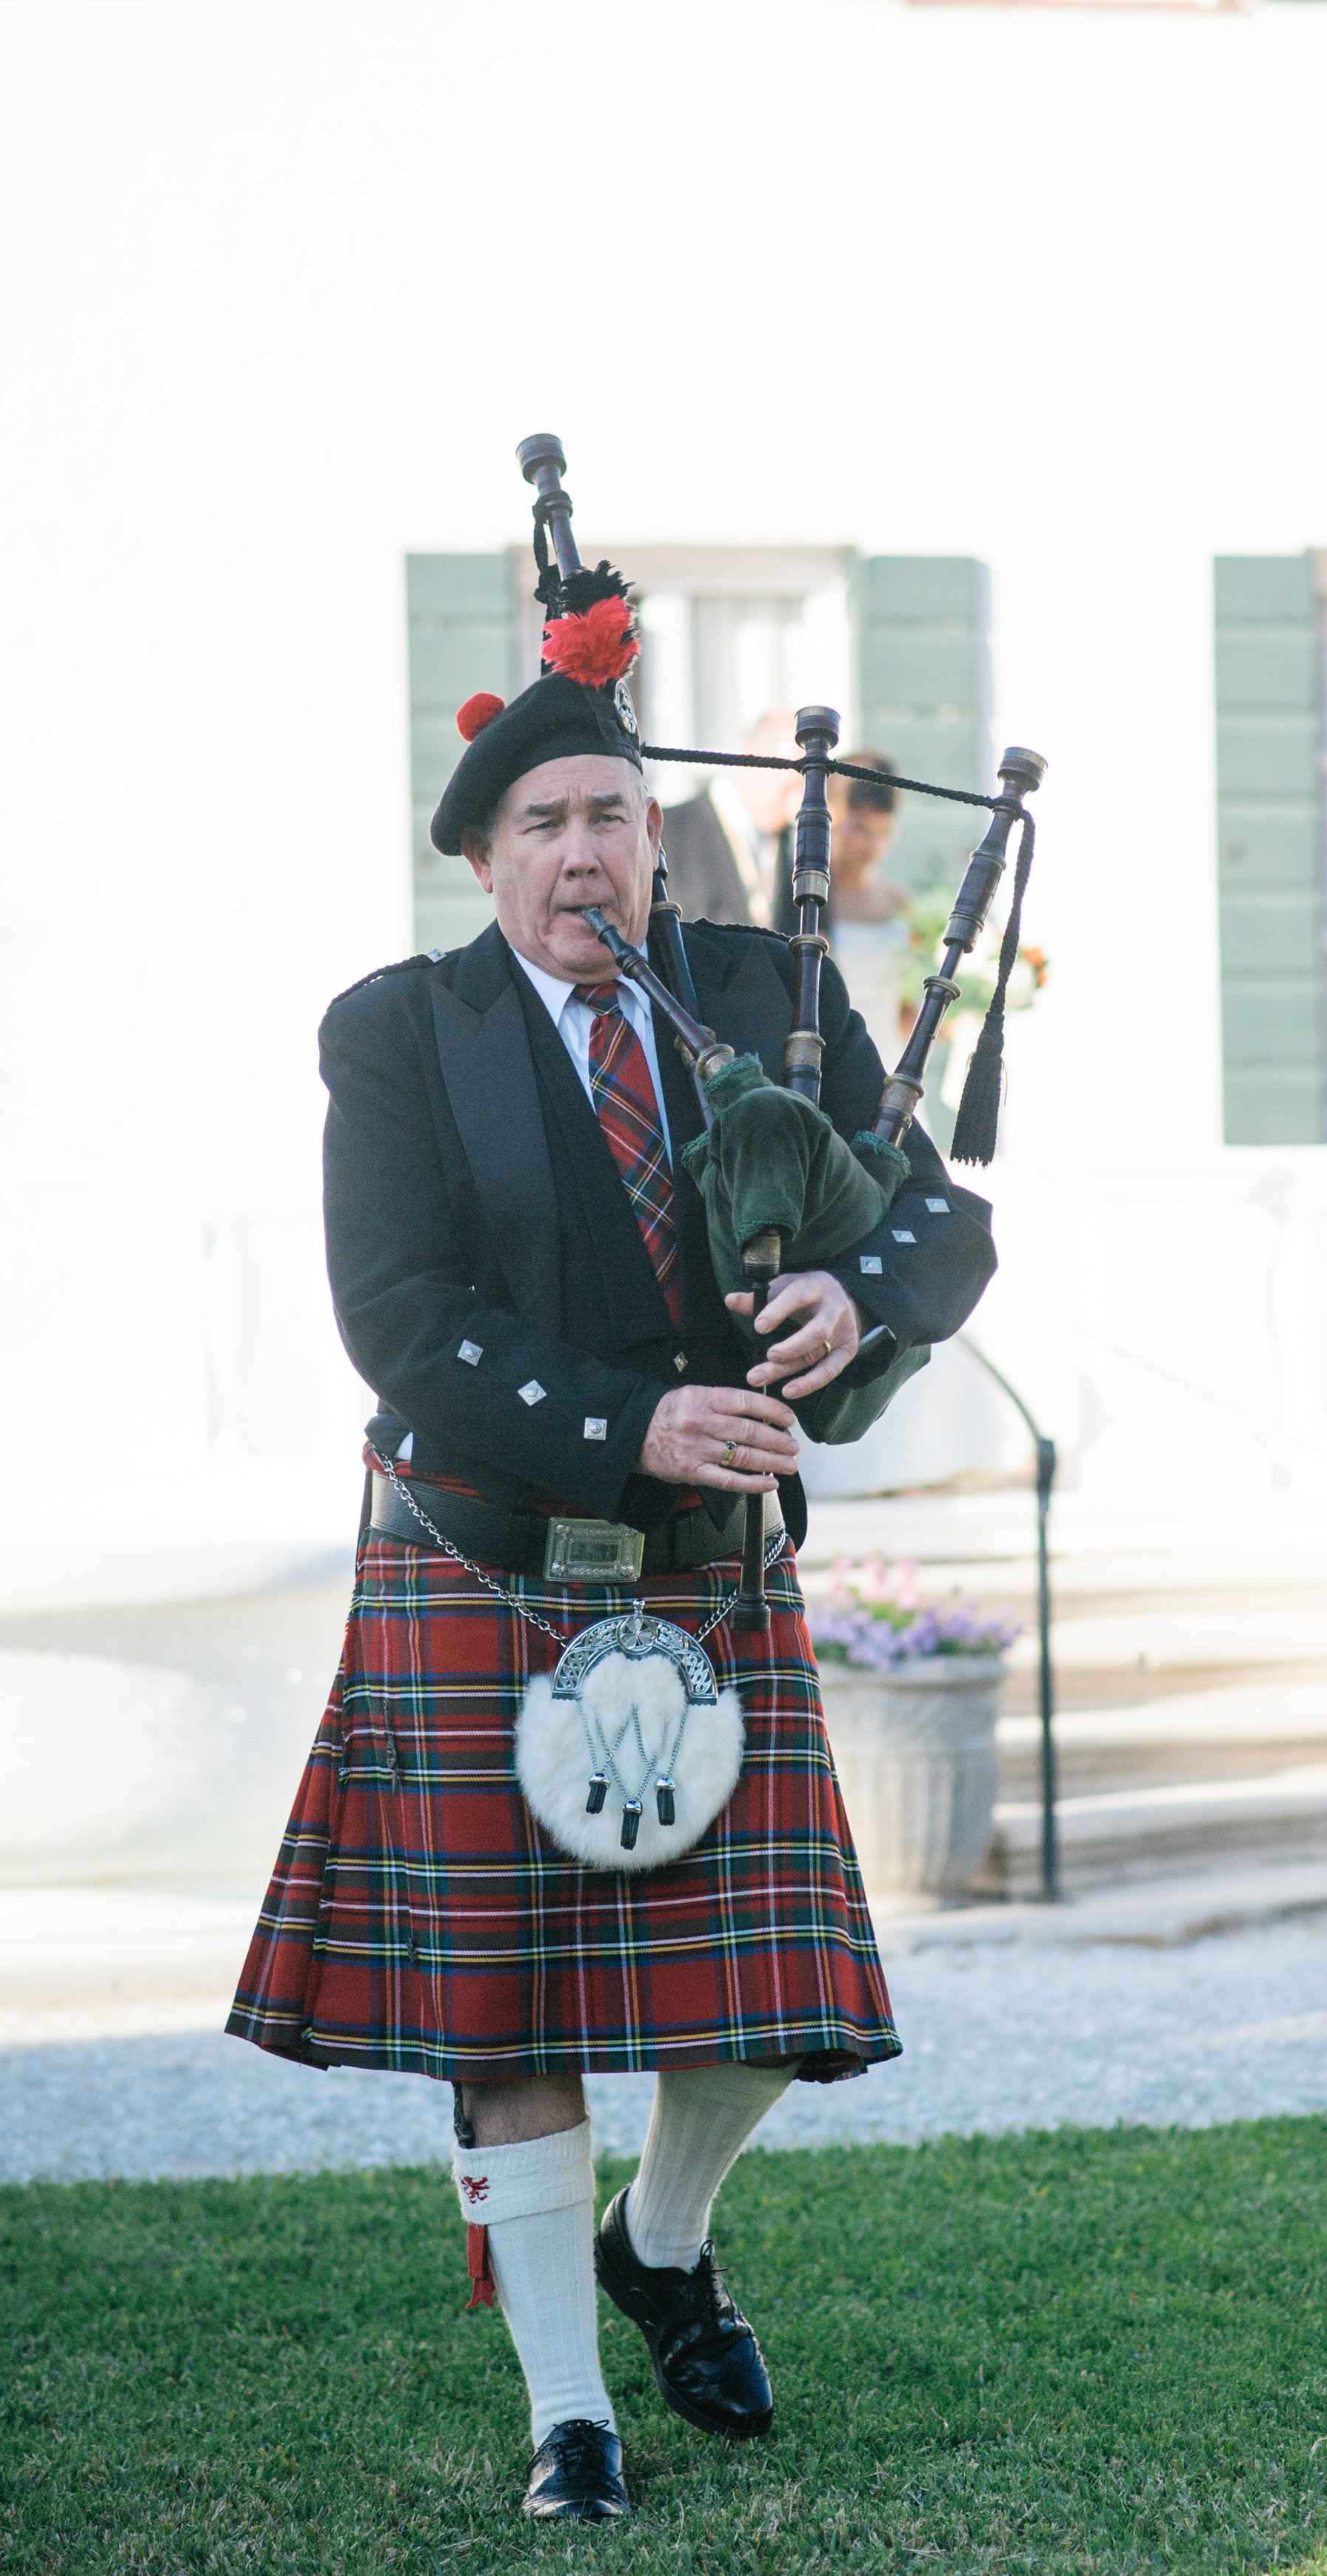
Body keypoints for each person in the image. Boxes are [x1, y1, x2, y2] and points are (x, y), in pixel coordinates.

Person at [227, 589, 996, 2527]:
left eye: (612, 813)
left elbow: (942, 1220)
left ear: (656, 835)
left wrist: (854, 1286)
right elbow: (397, 1318)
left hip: (705, 1571)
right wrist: (626, 1416)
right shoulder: (403, 1033)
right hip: (480, 1563)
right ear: (485, 859)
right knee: (506, 2015)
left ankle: (666, 2232)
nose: (585, 849)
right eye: (543, 823)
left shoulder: (765, 996)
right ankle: (570, 2404)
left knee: (769, 1993)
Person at [660, 707, 800, 931]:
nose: (799, 801)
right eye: (793, 785)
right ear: (752, 759)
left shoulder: (798, 848)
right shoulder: (666, 833)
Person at [825, 751, 909, 1064]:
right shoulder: (805, 900)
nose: (871, 846)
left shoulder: (901, 903)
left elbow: (906, 1012)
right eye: (860, 829)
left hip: (889, 1060)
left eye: (883, 832)